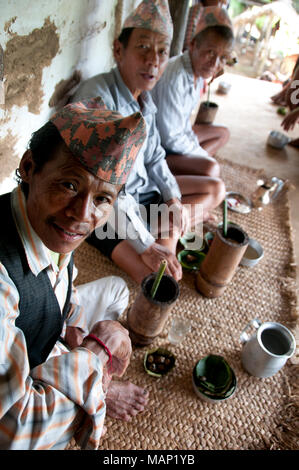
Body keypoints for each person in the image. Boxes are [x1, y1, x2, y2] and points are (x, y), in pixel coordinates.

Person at [0, 97, 149, 450]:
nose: (83, 214)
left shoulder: (37, 218)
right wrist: (95, 363)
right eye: (69, 185)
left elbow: (56, 285)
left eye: (102, 199)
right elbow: (15, 429)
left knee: (116, 289)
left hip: (38, 335)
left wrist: (77, 333)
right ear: (29, 166)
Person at [71, 0, 209, 285]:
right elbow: (104, 189)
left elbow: (156, 156)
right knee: (151, 277)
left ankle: (161, 249)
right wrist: (147, 245)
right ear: (118, 50)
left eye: (161, 52)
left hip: (142, 200)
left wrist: (172, 198)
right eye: (143, 47)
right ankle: (152, 251)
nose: (154, 61)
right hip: (105, 209)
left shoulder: (144, 100)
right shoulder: (99, 98)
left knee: (173, 237)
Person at [151, 6, 233, 217]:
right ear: (193, 45)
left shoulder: (197, 73)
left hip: (177, 134)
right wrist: (203, 155)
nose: (215, 63)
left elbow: (184, 126)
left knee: (222, 134)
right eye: (210, 53)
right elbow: (171, 139)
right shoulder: (174, 76)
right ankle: (184, 205)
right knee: (211, 170)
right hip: (161, 148)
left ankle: (196, 183)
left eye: (223, 57)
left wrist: (199, 152)